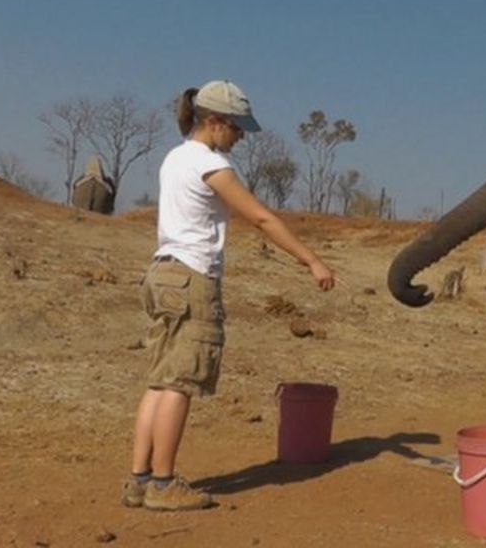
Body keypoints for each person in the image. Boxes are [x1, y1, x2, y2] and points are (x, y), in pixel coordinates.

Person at [123, 80, 336, 511]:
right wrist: (311, 260)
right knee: (181, 383)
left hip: (162, 274)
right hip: (192, 278)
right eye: (236, 128)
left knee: (160, 380)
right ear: (214, 121)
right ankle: (163, 485)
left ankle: (139, 479)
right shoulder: (210, 164)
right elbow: (260, 217)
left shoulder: (174, 158)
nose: (240, 137)